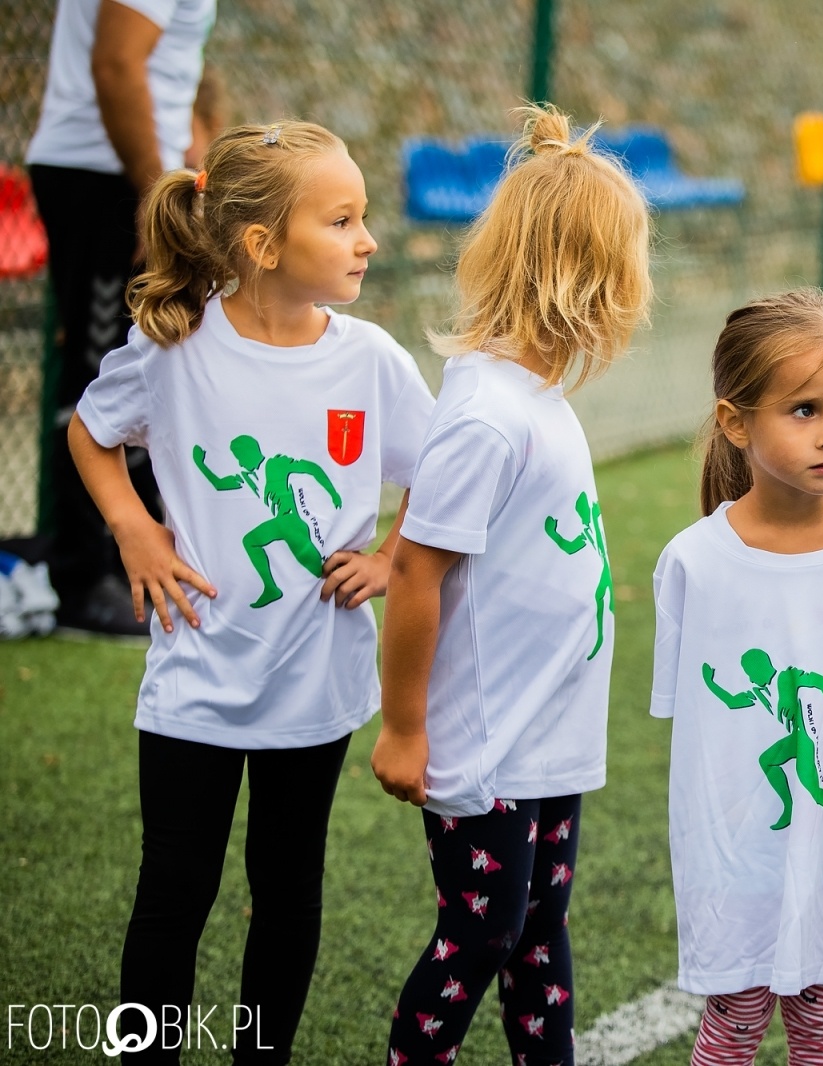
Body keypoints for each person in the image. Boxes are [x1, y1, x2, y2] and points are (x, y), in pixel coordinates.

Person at [66, 120, 436, 1064]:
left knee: (287, 888)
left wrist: (393, 555)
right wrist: (134, 528)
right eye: (343, 220)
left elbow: (442, 473)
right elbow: (90, 431)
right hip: (193, 677)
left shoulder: (372, 361)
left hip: (314, 686)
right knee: (174, 889)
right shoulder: (176, 350)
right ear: (264, 247)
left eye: (364, 218)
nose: (369, 240)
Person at [371, 104, 652, 1066]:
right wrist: (405, 726)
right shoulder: (490, 412)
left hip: (549, 737)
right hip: (484, 749)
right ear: (592, 278)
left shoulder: (534, 398)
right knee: (482, 935)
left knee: (539, 931)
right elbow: (414, 569)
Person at [650, 289, 823, 1066]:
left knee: (820, 1033)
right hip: (733, 859)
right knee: (732, 1027)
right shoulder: (692, 563)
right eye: (804, 410)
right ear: (736, 422)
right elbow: (715, 715)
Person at [28, 0, 216, 634]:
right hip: (104, 172)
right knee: (97, 371)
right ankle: (83, 583)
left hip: (123, 171)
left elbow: (167, 69)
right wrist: (150, 195)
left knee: (148, 361)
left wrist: (193, 169)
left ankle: (120, 561)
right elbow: (115, 65)